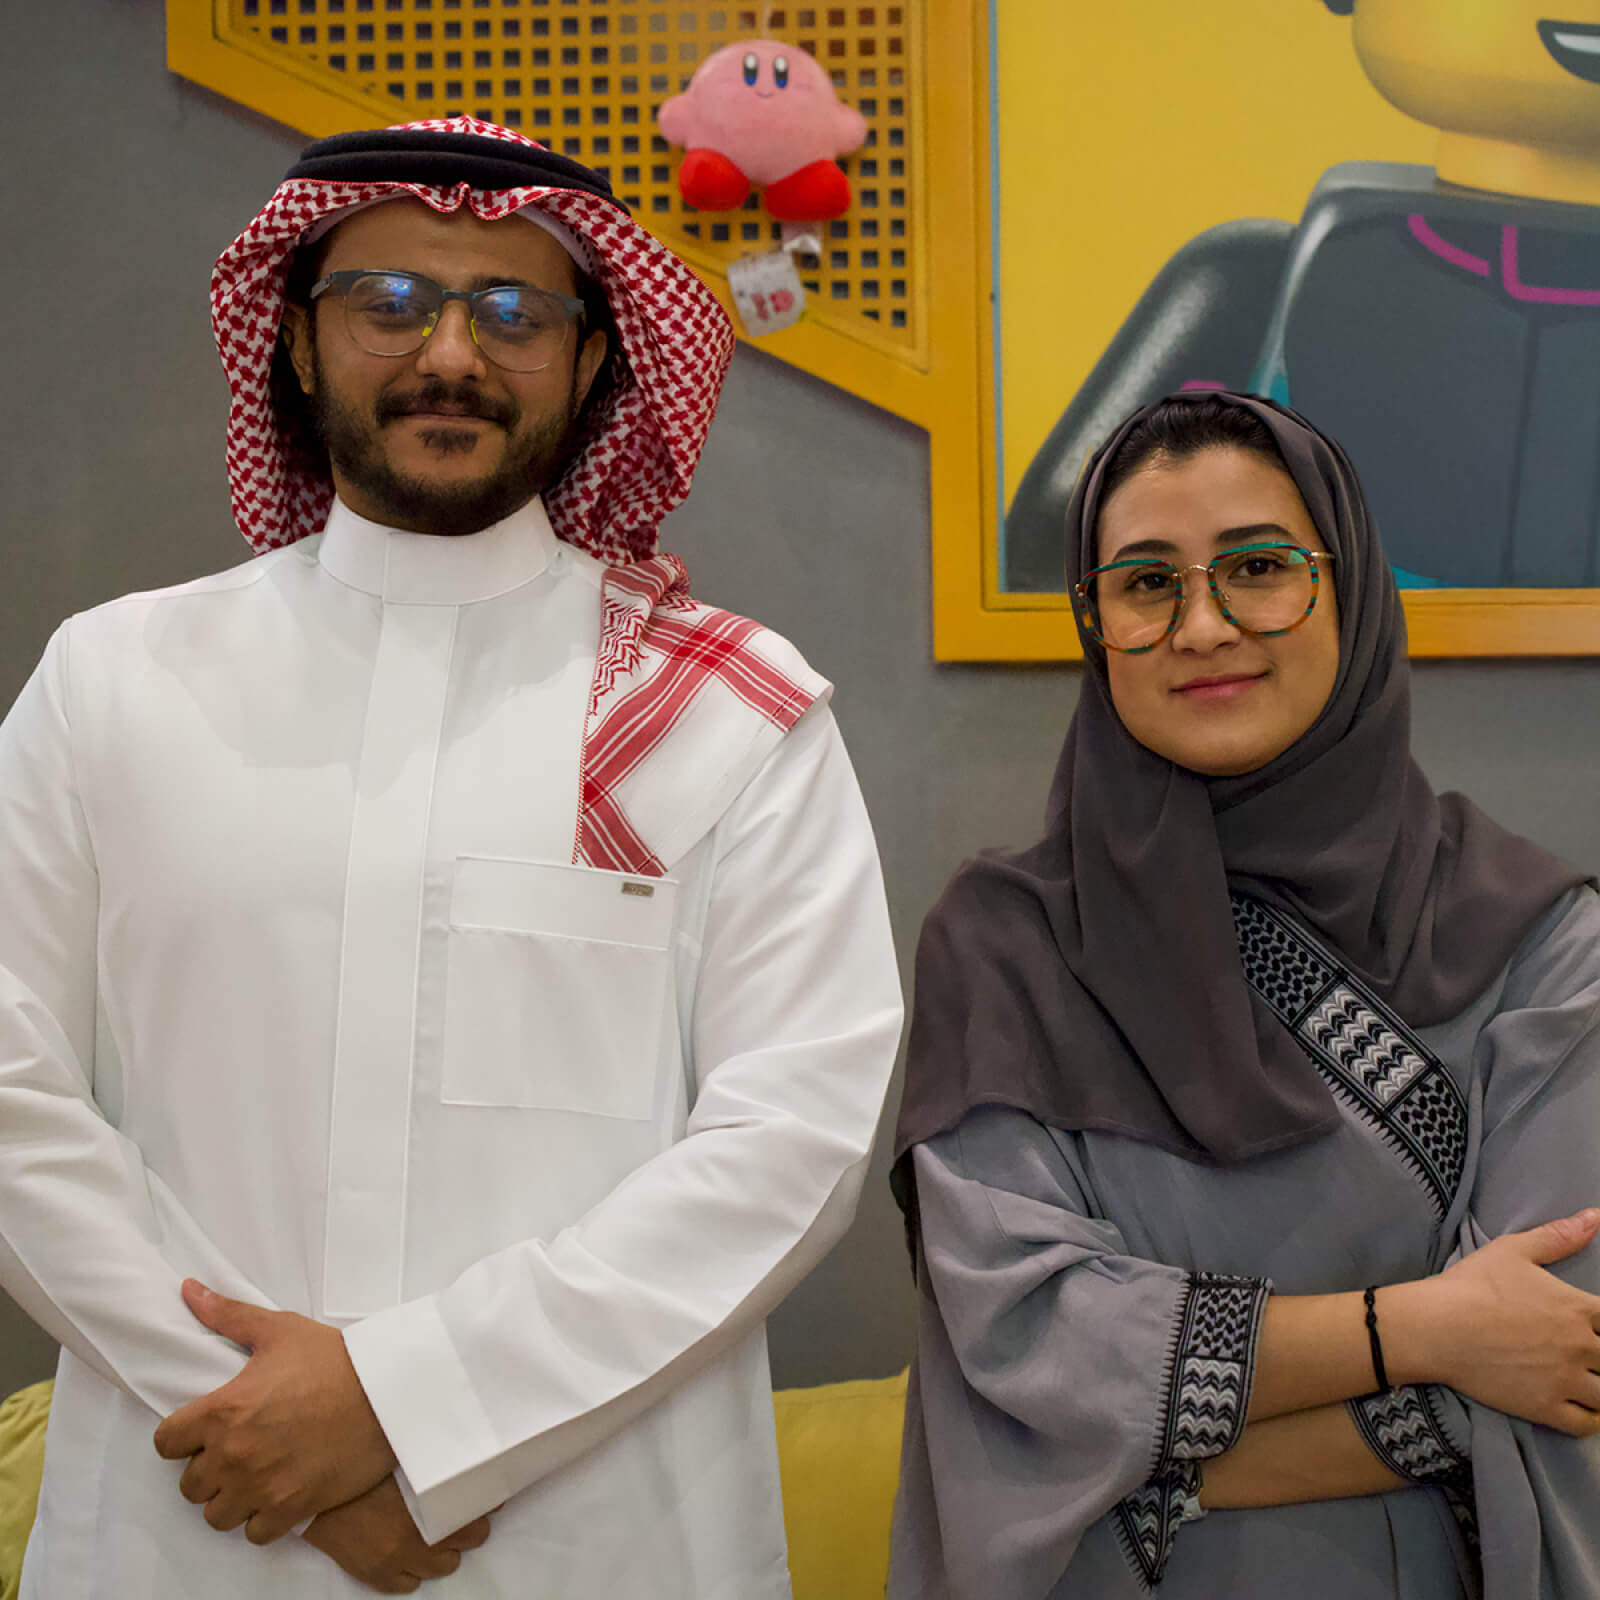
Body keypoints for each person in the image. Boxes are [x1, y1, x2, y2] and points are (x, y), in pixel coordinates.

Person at [0, 115, 902, 1597]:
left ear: (592, 360)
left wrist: (410, 1411)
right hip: (192, 1522)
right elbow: (11, 1093)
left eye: (513, 313)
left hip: (594, 1544)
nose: (451, 355)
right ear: (296, 343)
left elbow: (791, 1138)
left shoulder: (723, 711)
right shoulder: (113, 682)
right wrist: (252, 1415)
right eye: (390, 303)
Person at [888, 390, 1600, 1598]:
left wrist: (1155, 1462)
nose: (1204, 626)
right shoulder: (1009, 944)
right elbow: (1025, 1342)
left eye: (1260, 567)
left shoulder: (1535, 936)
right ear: (1096, 622)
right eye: (1146, 583)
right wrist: (1418, 1330)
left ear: (1351, 589)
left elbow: (1558, 1350)